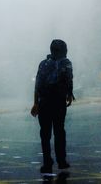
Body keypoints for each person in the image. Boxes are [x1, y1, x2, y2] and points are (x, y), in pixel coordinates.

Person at [31, 39, 75, 174]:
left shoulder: (43, 64)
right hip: (58, 103)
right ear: (62, 51)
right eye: (65, 49)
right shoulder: (66, 63)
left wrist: (35, 103)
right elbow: (69, 79)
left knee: (45, 134)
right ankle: (61, 161)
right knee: (59, 132)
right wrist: (69, 94)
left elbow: (37, 85)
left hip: (44, 103)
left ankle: (47, 162)